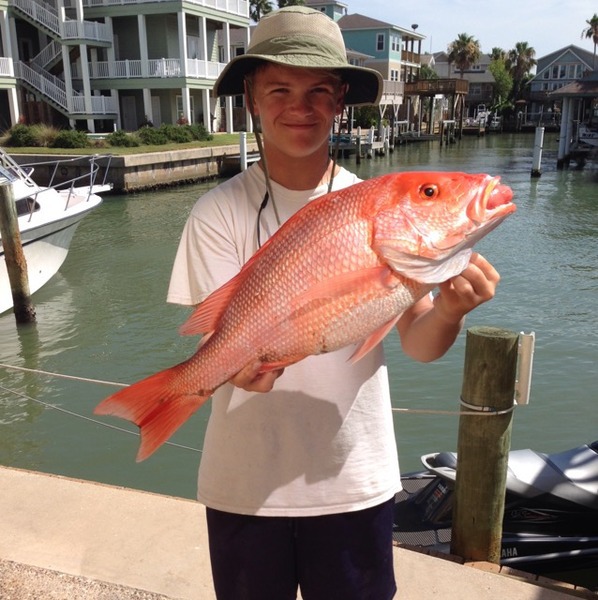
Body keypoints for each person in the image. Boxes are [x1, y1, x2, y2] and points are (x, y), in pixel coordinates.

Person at [167, 7, 501, 600]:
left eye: (319, 90)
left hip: (353, 481)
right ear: (251, 98)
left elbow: (419, 344)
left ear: (341, 100)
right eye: (279, 89)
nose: (300, 106)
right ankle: (166, 397)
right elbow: (224, 340)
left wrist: (449, 311)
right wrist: (234, 371)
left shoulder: (375, 205)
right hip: (244, 484)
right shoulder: (215, 213)